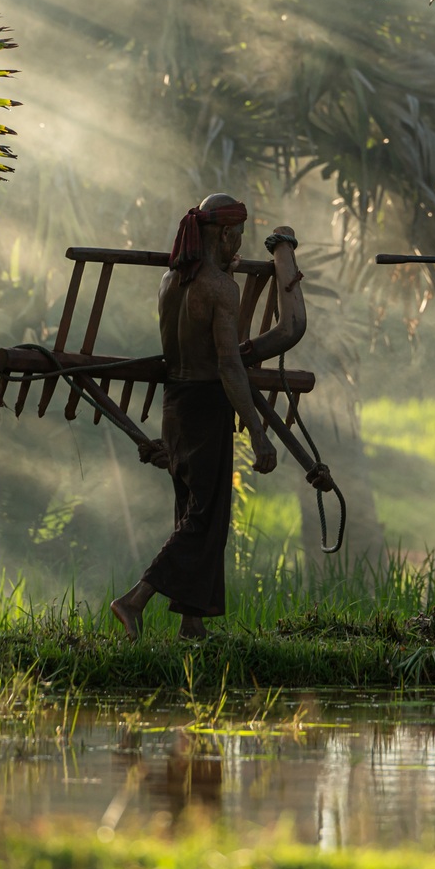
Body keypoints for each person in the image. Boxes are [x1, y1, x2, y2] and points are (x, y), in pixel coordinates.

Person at [110, 194, 292, 640]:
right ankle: (134, 600)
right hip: (206, 405)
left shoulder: (170, 282)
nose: (239, 248)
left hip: (175, 402)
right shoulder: (219, 288)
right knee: (206, 517)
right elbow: (230, 365)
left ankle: (193, 622)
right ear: (226, 234)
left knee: (191, 511)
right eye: (238, 238)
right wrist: (258, 432)